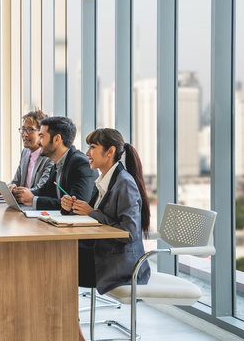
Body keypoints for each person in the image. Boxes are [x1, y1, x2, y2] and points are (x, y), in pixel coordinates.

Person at [60, 128, 151, 341]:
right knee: (58, 259)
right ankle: (68, 331)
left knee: (60, 266)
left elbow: (128, 233)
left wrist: (92, 212)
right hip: (104, 252)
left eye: (92, 147)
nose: (87, 153)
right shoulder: (106, 179)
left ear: (109, 152)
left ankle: (72, 334)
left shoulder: (124, 183)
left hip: (120, 264)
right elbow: (95, 215)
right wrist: (70, 206)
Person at [14, 116, 96, 210]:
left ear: (57, 139)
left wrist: (33, 200)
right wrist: (21, 194)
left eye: (41, 136)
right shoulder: (57, 162)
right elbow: (45, 191)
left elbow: (75, 206)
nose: (39, 142)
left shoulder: (81, 164)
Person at [0, 109, 53, 196]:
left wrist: (11, 191)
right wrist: (8, 187)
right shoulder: (25, 153)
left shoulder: (49, 158)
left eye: (30, 130)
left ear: (41, 132)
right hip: (21, 204)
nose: (25, 134)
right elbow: (16, 182)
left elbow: (41, 190)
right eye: (23, 129)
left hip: (34, 206)